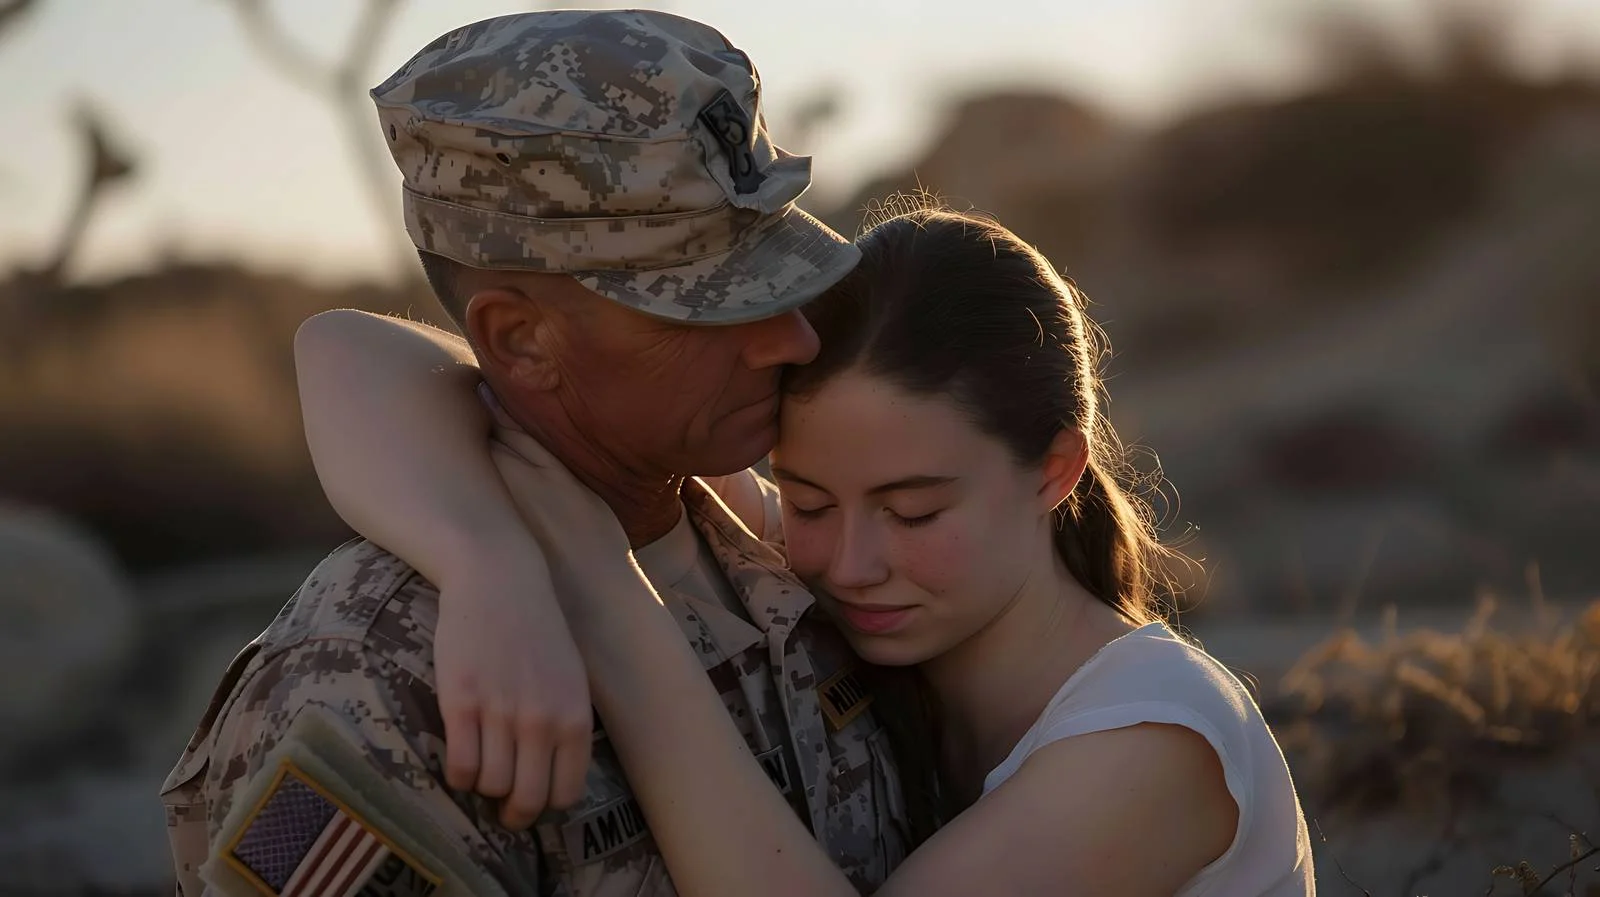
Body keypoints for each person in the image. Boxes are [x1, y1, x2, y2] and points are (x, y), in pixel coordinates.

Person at [295, 202, 1319, 895]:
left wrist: (612, 607)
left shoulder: (1152, 741)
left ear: (1053, 472)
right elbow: (347, 350)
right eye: (808, 498)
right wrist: (489, 564)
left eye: (914, 513)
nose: (847, 562)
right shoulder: (849, 586)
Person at [160, 10, 916, 897]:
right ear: (520, 342)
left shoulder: (801, 548)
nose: (791, 339)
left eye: (776, 277)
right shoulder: (379, 676)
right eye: (713, 302)